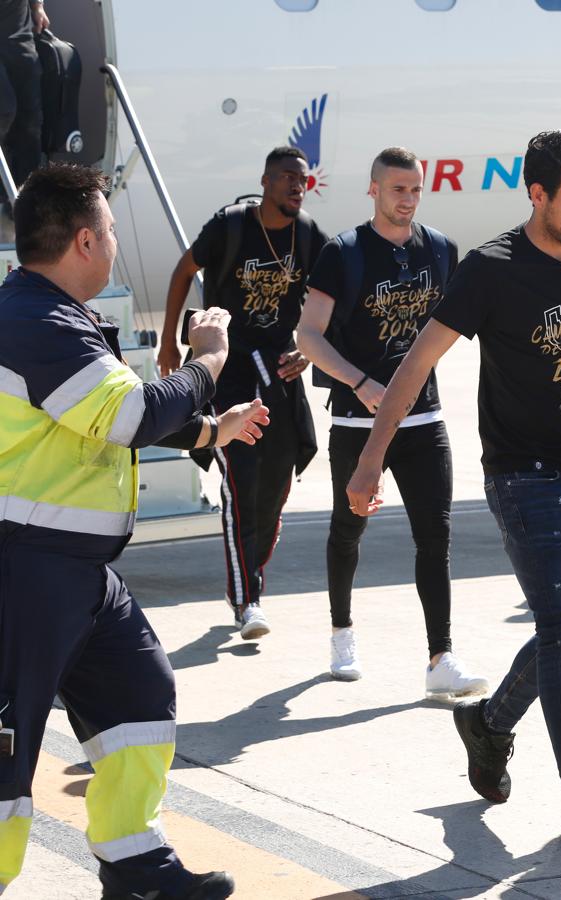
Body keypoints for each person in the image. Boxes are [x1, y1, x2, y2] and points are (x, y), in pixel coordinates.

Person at [344, 130, 561, 855]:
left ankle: (488, 724)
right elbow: (416, 364)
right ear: (536, 193)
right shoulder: (491, 268)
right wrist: (371, 457)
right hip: (521, 476)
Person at [0, 163, 270, 900]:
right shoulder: (34, 321)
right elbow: (129, 416)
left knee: (139, 695)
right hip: (25, 566)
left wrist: (210, 430)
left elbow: (98, 417)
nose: (116, 241)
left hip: (76, 568)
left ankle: (137, 868)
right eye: (112, 229)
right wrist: (211, 359)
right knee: (8, 750)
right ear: (85, 240)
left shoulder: (52, 316)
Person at [297, 146, 487, 697]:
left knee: (436, 538)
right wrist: (359, 381)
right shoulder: (344, 252)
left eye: (415, 189)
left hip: (425, 420)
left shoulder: (442, 250)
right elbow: (308, 335)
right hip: (358, 424)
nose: (407, 199)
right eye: (397, 188)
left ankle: (440, 657)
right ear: (374, 189)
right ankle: (341, 632)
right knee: (347, 531)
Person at [159, 146, 326, 641]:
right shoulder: (230, 226)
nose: (297, 186)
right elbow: (183, 271)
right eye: (287, 178)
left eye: (303, 179)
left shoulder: (309, 234)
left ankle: (252, 578)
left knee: (275, 486)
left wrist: (309, 350)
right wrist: (170, 340)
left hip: (278, 370)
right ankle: (247, 599)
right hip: (228, 367)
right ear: (266, 181)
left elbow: (325, 299)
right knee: (240, 481)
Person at [0, 0, 46, 191]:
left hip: (18, 32)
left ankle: (29, 198)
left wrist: (37, 7)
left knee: (30, 119)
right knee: (5, 109)